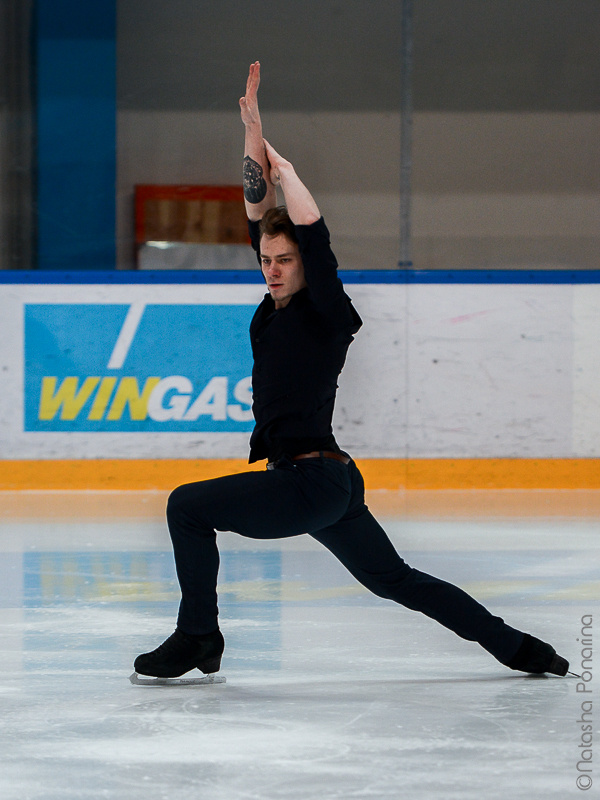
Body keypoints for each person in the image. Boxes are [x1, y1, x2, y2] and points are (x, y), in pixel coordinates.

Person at [133, 62, 569, 681]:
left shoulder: (324, 314)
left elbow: (312, 233)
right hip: (331, 483)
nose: (274, 268)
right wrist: (253, 131)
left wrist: (288, 172)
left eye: (286, 260)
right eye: (267, 260)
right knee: (396, 580)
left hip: (310, 485)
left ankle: (200, 636)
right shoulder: (273, 308)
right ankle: (523, 650)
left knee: (186, 507)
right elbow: (260, 211)